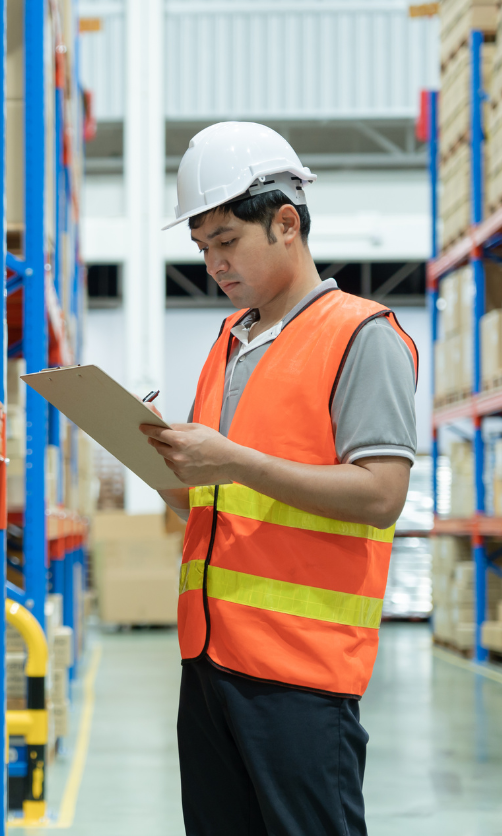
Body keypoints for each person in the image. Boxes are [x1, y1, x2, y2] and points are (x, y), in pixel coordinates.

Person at [144, 121, 418, 836]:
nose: (212, 264)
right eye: (201, 248)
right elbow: (206, 503)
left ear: (285, 223)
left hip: (300, 675)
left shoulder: (361, 335)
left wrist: (231, 459)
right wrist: (149, 456)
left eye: (226, 242)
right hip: (208, 659)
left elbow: (381, 496)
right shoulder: (229, 344)